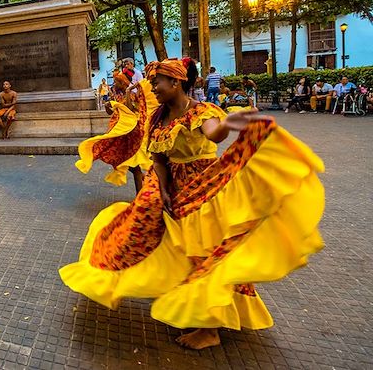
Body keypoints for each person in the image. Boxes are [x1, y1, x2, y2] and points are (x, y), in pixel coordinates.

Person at [60, 58, 324, 350]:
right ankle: (188, 303)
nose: (152, 87)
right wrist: (162, 190)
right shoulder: (157, 119)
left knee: (204, 249)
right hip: (174, 187)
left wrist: (232, 122)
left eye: (157, 81)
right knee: (149, 235)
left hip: (206, 187)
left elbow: (214, 132)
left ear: (176, 82)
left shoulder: (201, 111)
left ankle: (209, 329)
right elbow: (159, 160)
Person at [77, 69, 157, 194]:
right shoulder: (116, 94)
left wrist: (128, 91)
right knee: (127, 163)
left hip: (131, 133)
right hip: (121, 132)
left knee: (132, 166)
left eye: (116, 81)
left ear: (123, 82)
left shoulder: (131, 94)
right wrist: (108, 106)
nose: (114, 83)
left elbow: (130, 110)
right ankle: (144, 187)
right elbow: (111, 112)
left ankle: (141, 194)